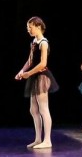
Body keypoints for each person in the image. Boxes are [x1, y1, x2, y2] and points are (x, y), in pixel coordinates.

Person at [15, 17, 56, 149]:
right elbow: (30, 60)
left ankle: (47, 140)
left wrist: (29, 73)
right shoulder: (34, 41)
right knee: (33, 109)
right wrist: (22, 71)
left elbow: (43, 63)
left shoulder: (43, 43)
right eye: (28, 28)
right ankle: (38, 139)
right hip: (34, 76)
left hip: (42, 76)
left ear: (38, 26)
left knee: (43, 108)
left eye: (30, 27)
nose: (28, 30)